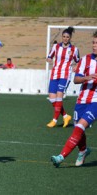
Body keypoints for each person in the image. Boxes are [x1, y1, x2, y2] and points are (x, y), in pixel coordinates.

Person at [50, 31, 97, 167]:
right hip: (82, 100)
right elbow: (76, 79)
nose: (94, 46)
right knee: (78, 128)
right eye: (93, 43)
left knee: (80, 127)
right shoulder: (85, 59)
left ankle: (61, 157)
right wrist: (86, 78)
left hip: (95, 101)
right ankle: (83, 151)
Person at [46, 26, 80, 128]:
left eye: (67, 37)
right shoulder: (56, 47)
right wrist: (49, 59)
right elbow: (49, 56)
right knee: (52, 98)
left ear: (70, 38)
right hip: (55, 73)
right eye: (64, 36)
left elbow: (78, 61)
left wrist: (76, 67)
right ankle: (65, 116)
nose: (65, 38)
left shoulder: (74, 49)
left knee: (59, 96)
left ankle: (54, 120)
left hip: (65, 75)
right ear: (62, 37)